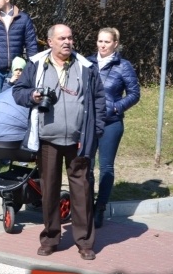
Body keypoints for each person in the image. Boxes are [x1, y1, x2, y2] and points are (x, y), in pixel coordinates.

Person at [13, 24, 105, 261]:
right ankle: (51, 238)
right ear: (50, 41)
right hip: (48, 139)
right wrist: (32, 95)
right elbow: (18, 91)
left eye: (70, 38)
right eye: (62, 38)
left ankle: (84, 242)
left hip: (78, 140)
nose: (67, 42)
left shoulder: (85, 66)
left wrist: (96, 131)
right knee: (50, 189)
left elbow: (98, 100)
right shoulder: (36, 64)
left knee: (82, 191)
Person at [87, 27, 140, 229]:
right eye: (99, 41)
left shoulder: (123, 66)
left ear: (115, 44)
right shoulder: (87, 63)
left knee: (106, 167)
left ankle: (100, 207)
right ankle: (86, 206)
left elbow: (134, 94)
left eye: (106, 42)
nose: (102, 45)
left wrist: (117, 107)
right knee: (86, 166)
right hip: (89, 122)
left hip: (111, 123)